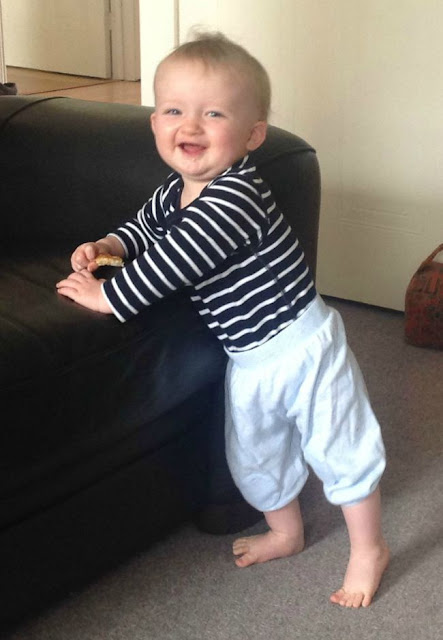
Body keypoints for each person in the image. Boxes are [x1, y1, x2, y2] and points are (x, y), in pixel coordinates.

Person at [56, 31, 389, 608]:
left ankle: (368, 550)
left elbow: (174, 261)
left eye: (214, 113)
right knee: (255, 453)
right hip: (249, 357)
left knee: (341, 447)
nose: (191, 126)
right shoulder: (175, 190)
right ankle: (287, 530)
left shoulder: (235, 196)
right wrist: (106, 247)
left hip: (303, 345)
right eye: (174, 110)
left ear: (252, 135)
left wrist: (105, 296)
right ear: (154, 122)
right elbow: (142, 233)